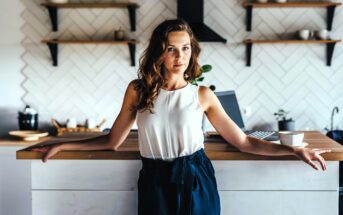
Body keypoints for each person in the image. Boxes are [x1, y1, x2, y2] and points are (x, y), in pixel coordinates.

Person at [32, 19, 330, 215]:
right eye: (172, 49)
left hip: (196, 177)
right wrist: (65, 145)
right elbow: (113, 141)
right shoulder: (138, 91)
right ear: (159, 53)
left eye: (185, 48)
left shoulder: (202, 95)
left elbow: (242, 142)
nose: (180, 56)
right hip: (154, 179)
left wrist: (293, 149)